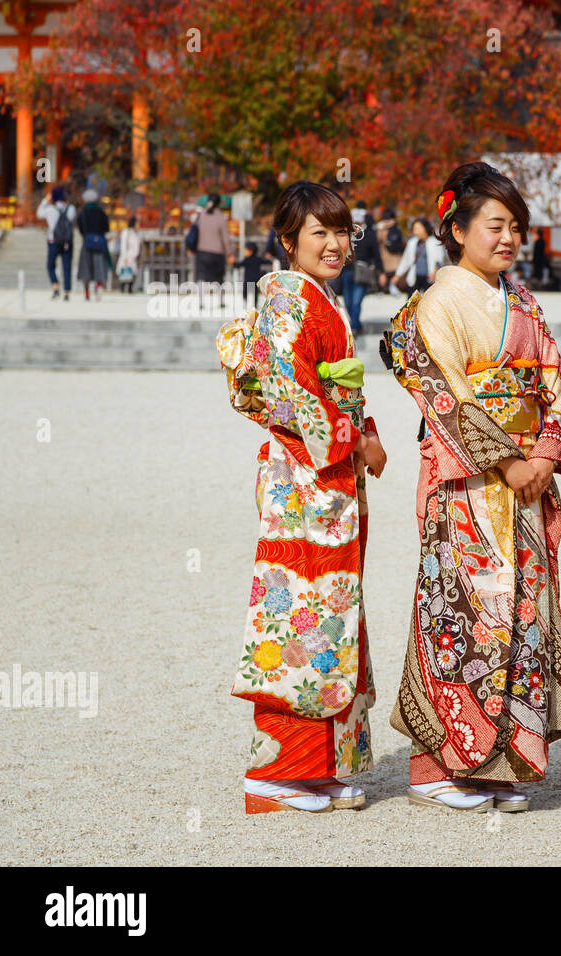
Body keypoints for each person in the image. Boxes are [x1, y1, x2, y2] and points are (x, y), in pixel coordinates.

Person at [381, 161, 561, 813]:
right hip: (468, 484)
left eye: (515, 227)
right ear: (458, 229)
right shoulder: (439, 302)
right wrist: (505, 458)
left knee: (519, 617)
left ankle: (502, 762)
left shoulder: (523, 302)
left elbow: (549, 379)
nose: (507, 238)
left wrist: (547, 451)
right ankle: (438, 766)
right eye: (495, 225)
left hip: (525, 480)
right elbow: (442, 391)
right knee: (465, 616)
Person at [216, 180, 387, 814]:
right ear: (288, 242)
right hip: (304, 480)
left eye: (342, 231)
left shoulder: (321, 300)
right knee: (301, 610)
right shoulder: (288, 302)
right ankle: (279, 772)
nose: (335, 244)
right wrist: (352, 438)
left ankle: (323, 765)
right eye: (319, 232)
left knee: (333, 612)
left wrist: (363, 432)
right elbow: (287, 393)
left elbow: (337, 390)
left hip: (331, 478)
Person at [339, 203, 380, 332]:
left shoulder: (369, 234)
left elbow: (376, 254)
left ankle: (354, 327)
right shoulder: (345, 234)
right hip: (347, 270)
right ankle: (356, 325)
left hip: (362, 272)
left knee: (356, 302)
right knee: (348, 302)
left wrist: (381, 272)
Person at [194, 192, 235, 307]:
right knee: (218, 278)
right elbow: (225, 238)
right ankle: (220, 301)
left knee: (201, 277)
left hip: (201, 251)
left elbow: (194, 232)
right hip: (217, 253)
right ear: (218, 203)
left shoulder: (200, 215)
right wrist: (229, 252)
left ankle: (201, 302)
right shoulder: (220, 217)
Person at [38, 187, 76, 301]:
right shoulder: (71, 209)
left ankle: (55, 288)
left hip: (53, 241)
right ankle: (67, 292)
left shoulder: (50, 209)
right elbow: (73, 222)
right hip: (67, 241)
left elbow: (39, 214)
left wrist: (45, 200)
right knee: (67, 266)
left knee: (50, 265)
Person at [76, 189, 111, 301]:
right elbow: (106, 228)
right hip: (100, 244)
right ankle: (98, 287)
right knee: (99, 266)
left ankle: (87, 294)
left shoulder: (83, 213)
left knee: (86, 268)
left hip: (87, 243)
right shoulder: (101, 213)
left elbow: (81, 229)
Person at [392, 217, 439, 295]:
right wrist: (398, 275)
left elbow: (439, 260)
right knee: (411, 303)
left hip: (429, 279)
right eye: (414, 229)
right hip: (414, 277)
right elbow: (405, 260)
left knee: (427, 303)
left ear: (425, 228)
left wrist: (434, 272)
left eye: (418, 228)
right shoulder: (412, 242)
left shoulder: (434, 242)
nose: (415, 231)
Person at [238, 242, 270, 308]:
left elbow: (239, 264)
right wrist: (269, 260)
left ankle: (246, 302)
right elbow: (266, 261)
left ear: (250, 251)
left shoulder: (246, 259)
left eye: (245, 250)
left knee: (245, 291)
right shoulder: (257, 259)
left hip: (248, 279)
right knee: (255, 293)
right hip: (256, 279)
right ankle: (255, 304)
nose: (244, 252)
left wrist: (233, 263)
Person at [115, 216, 142, 294]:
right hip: (126, 256)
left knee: (132, 272)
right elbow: (123, 245)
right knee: (124, 271)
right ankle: (122, 288)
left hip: (133, 256)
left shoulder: (137, 233)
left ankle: (130, 288)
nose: (138, 225)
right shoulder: (126, 232)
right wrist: (125, 256)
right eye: (137, 223)